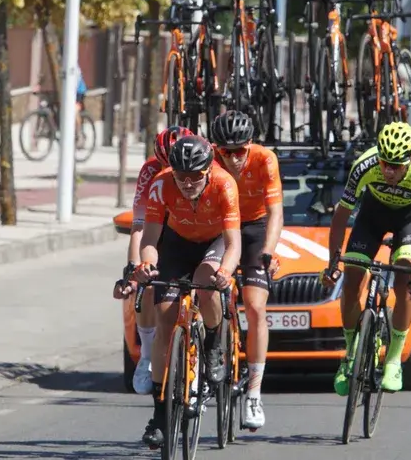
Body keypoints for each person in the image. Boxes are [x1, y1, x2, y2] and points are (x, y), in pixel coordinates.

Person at [130, 134, 241, 449]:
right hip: (178, 245)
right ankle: (160, 413)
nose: (188, 183)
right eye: (182, 177)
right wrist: (147, 265)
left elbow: (234, 243)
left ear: (208, 170)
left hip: (214, 242)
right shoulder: (161, 185)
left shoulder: (224, 184)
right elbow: (150, 239)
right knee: (165, 319)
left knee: (207, 286)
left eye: (195, 177)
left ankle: (214, 342)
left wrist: (225, 273)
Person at [319, 122, 411, 394]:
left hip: (409, 220)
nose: (388, 171)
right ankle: (351, 354)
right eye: (385, 163)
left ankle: (395, 359)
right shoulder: (364, 165)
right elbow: (341, 217)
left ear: (410, 159)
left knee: (404, 280)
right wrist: (332, 262)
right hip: (372, 217)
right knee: (351, 279)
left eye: (396, 166)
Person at [208, 111, 283, 430]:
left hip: (253, 228)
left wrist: (268, 250)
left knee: (254, 307)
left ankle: (254, 392)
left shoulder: (265, 159)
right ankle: (204, 352)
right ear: (216, 148)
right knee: (203, 288)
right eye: (227, 152)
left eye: (240, 151)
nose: (235, 159)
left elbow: (276, 212)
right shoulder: (208, 159)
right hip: (217, 227)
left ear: (250, 145)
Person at [113, 126, 193, 395]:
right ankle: (147, 356)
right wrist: (134, 269)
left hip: (195, 229)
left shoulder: (207, 164)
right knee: (145, 287)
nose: (173, 174)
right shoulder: (149, 172)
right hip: (160, 230)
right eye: (165, 165)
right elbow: (139, 226)